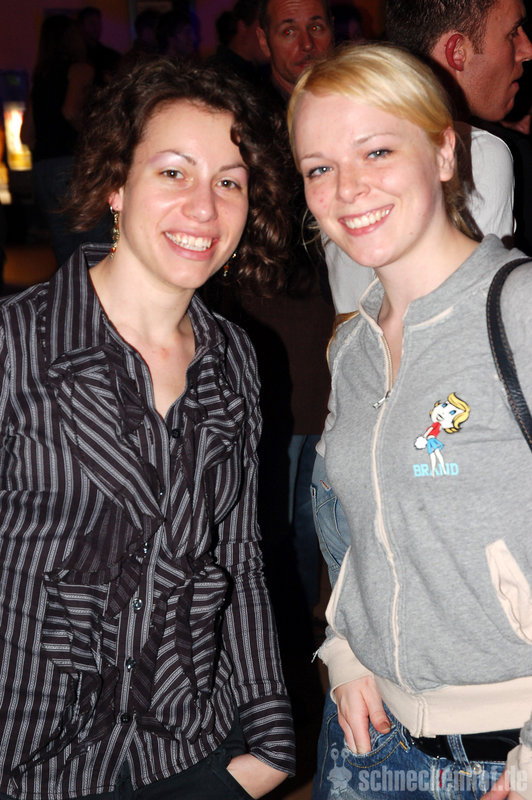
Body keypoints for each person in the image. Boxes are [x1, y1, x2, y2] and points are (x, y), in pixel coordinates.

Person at [0, 56, 295, 800]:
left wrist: (269, 746)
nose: (204, 208)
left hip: (187, 753)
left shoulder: (236, 360)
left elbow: (240, 555)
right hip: (30, 757)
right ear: (116, 184)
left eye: (229, 182)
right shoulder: (15, 345)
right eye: (173, 172)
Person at [288, 42, 532, 800]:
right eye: (319, 167)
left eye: (377, 151)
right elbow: (350, 523)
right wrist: (345, 649)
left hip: (505, 757)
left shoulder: (520, 310)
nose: (346, 189)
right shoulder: (354, 345)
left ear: (444, 152)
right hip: (371, 748)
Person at [21, 13, 109, 266]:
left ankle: (73, 292)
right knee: (97, 248)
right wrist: (94, 143)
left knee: (65, 251)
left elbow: (26, 134)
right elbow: (71, 111)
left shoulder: (40, 79)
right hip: (73, 163)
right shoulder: (80, 70)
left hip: (44, 169)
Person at [257, 0, 334, 98]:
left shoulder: (349, 97)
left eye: (316, 28)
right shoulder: (251, 106)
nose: (307, 45)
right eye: (288, 32)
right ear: (264, 42)